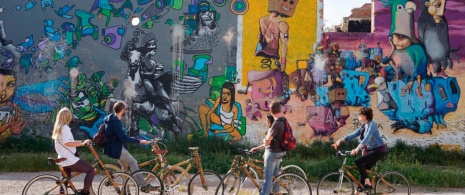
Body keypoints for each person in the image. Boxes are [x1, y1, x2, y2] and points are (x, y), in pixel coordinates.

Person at [332, 107, 388, 194]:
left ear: (366, 116)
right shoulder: (364, 125)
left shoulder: (372, 125)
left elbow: (366, 139)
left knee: (358, 162)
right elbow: (354, 134)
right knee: (363, 170)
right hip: (372, 150)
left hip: (379, 150)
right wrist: (340, 140)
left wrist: (357, 149)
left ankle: (368, 185)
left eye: (360, 114)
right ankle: (357, 192)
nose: (359, 115)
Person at [103, 101, 150, 189]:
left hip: (115, 148)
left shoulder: (112, 119)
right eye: (126, 109)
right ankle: (143, 185)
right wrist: (139, 141)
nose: (126, 111)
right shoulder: (115, 122)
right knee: (133, 162)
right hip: (117, 149)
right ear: (122, 110)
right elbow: (124, 138)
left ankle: (124, 190)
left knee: (125, 170)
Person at [52, 107, 94, 195]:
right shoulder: (65, 128)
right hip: (69, 159)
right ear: (67, 117)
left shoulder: (58, 128)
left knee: (65, 181)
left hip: (63, 158)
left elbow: (69, 141)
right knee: (90, 170)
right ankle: (85, 192)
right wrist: (82, 144)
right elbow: (68, 143)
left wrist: (82, 142)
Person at [250, 101, 286, 195]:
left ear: (270, 110)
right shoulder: (283, 120)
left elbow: (268, 141)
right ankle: (276, 192)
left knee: (268, 178)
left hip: (273, 153)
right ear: (280, 109)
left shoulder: (276, 123)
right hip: (280, 151)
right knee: (275, 175)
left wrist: (265, 141)